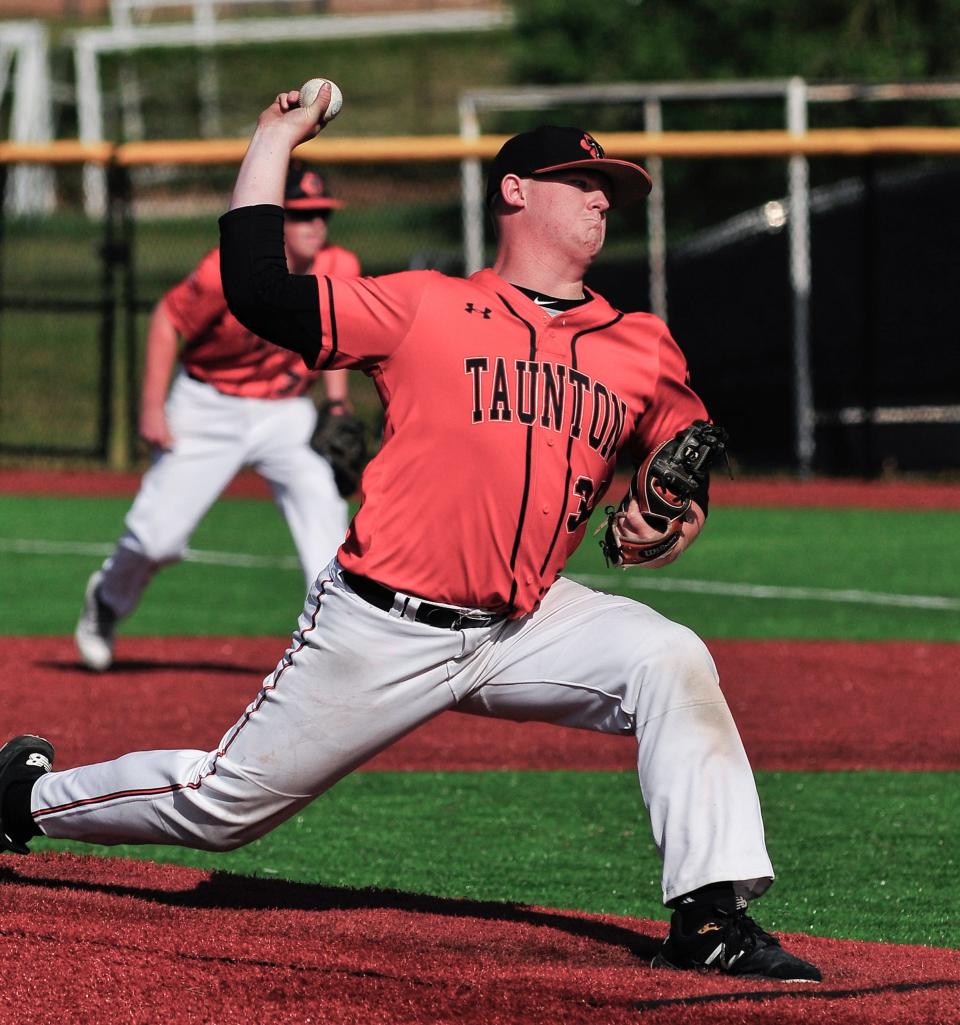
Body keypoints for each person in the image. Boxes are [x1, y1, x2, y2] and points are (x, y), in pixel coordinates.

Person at [3, 84, 820, 983]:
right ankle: (24, 796)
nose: (601, 199)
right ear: (515, 191)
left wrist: (670, 513)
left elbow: (679, 457)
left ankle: (708, 920)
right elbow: (260, 291)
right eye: (583, 180)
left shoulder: (640, 342)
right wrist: (274, 137)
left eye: (610, 190)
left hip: (524, 623)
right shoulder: (421, 304)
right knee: (219, 809)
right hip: (382, 625)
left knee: (670, 659)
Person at [74, 160, 361, 672]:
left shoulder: (340, 266)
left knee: (326, 525)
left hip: (286, 415)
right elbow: (167, 319)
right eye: (301, 214)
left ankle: (332, 651)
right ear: (276, 219)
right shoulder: (225, 270)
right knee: (156, 538)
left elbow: (332, 340)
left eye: (322, 213)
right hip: (209, 406)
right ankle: (107, 600)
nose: (315, 224)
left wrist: (337, 404)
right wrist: (151, 408)